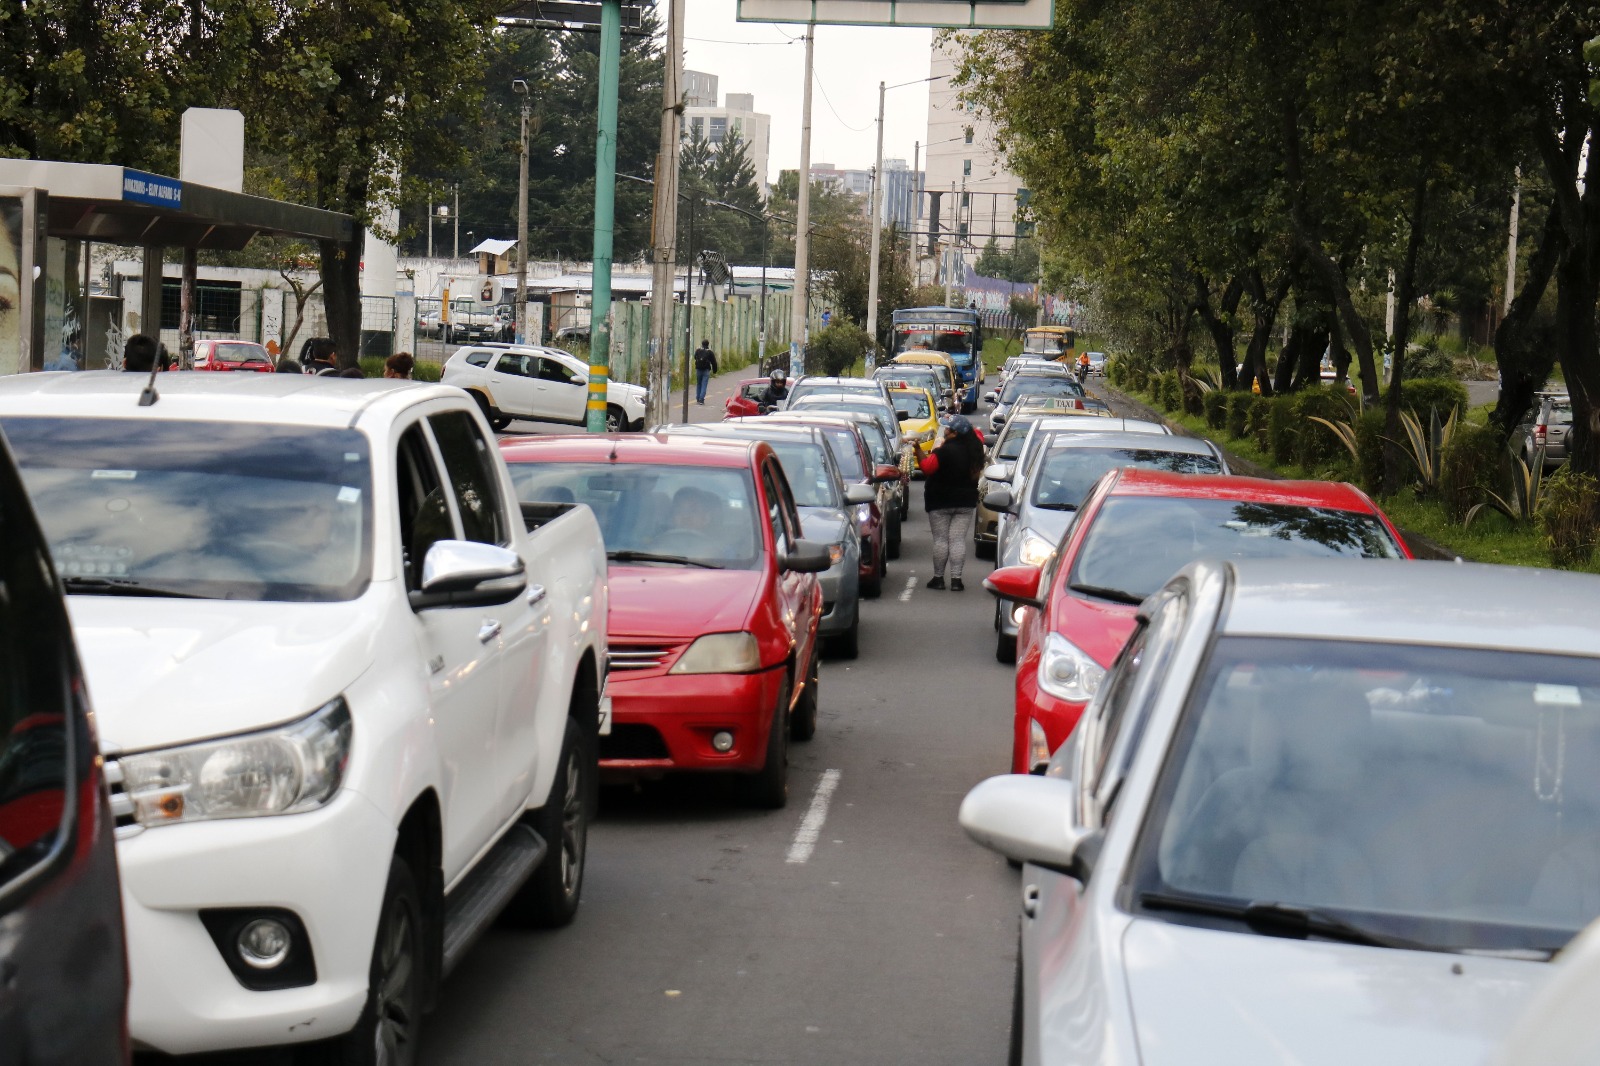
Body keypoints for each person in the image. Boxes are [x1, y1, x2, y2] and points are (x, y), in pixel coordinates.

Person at [918, 414, 985, 591]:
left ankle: (938, 578)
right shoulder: (975, 450)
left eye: (947, 428)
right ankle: (956, 580)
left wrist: (917, 448)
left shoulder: (944, 451)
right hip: (965, 502)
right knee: (957, 540)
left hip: (940, 501)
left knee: (941, 540)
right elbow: (977, 434)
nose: (945, 430)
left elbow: (927, 467)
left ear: (954, 433)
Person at [693, 339, 718, 405]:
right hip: (706, 370)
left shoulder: (698, 350)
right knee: (704, 384)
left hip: (698, 369)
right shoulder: (710, 352)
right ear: (708, 344)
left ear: (702, 344)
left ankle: (698, 398)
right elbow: (714, 362)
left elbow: (695, 357)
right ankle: (701, 399)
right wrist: (715, 370)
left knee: (699, 383)